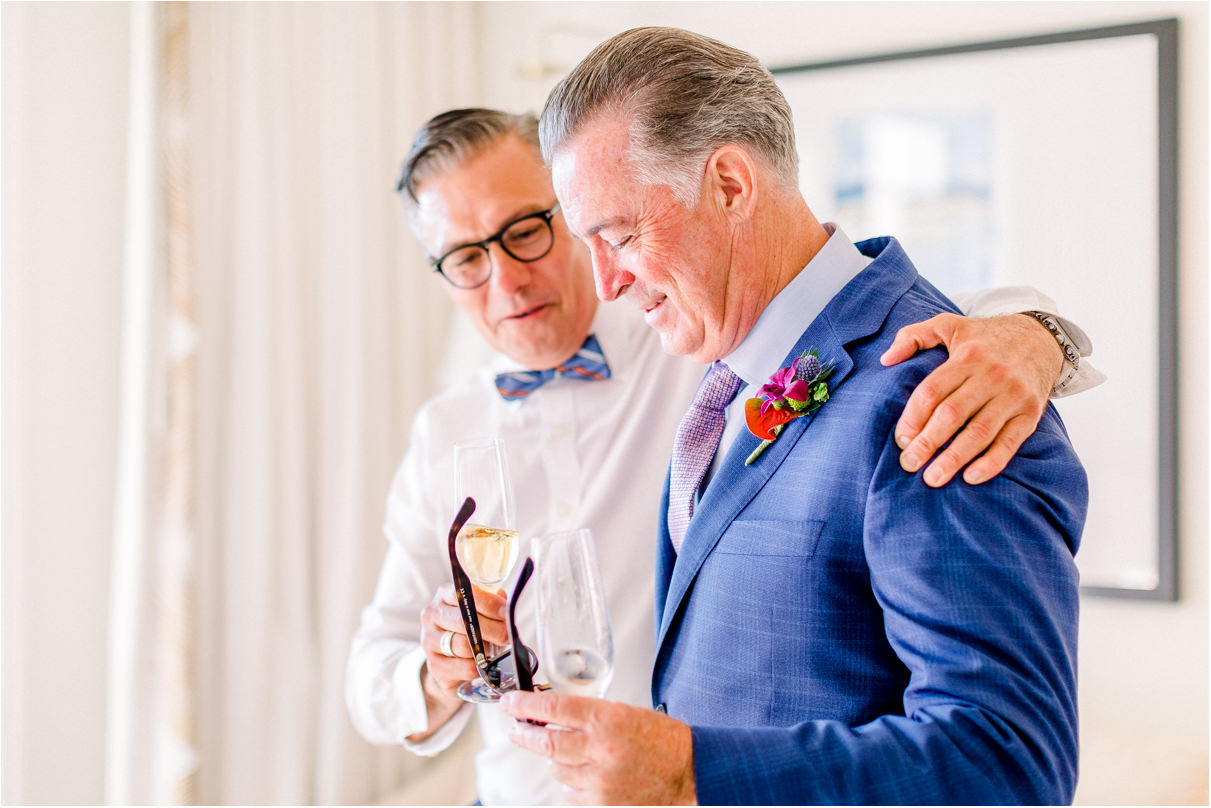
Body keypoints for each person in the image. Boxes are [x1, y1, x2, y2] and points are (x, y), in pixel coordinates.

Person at [346, 108, 1100, 804]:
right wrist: (436, 676)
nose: (506, 278)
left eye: (525, 231)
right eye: (465, 258)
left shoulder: (690, 327)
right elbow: (371, 673)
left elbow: (872, 309)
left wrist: (1032, 336)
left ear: (572, 215)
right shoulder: (443, 433)